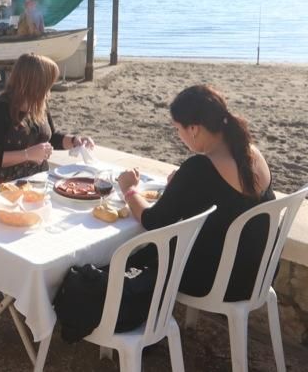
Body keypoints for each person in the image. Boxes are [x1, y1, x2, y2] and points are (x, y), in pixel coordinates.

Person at [117, 85, 275, 301]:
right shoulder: (250, 152)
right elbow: (224, 198)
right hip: (261, 273)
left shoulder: (200, 167)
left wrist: (129, 189)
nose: (178, 135)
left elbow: (154, 221)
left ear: (193, 129)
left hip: (219, 282)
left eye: (177, 129)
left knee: (140, 254)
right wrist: (181, 185)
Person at [0, 54, 94, 186]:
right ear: (34, 85)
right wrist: (27, 155)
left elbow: (51, 138)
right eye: (47, 85)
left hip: (39, 179)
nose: (49, 92)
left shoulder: (38, 104)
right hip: (7, 186)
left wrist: (74, 141)